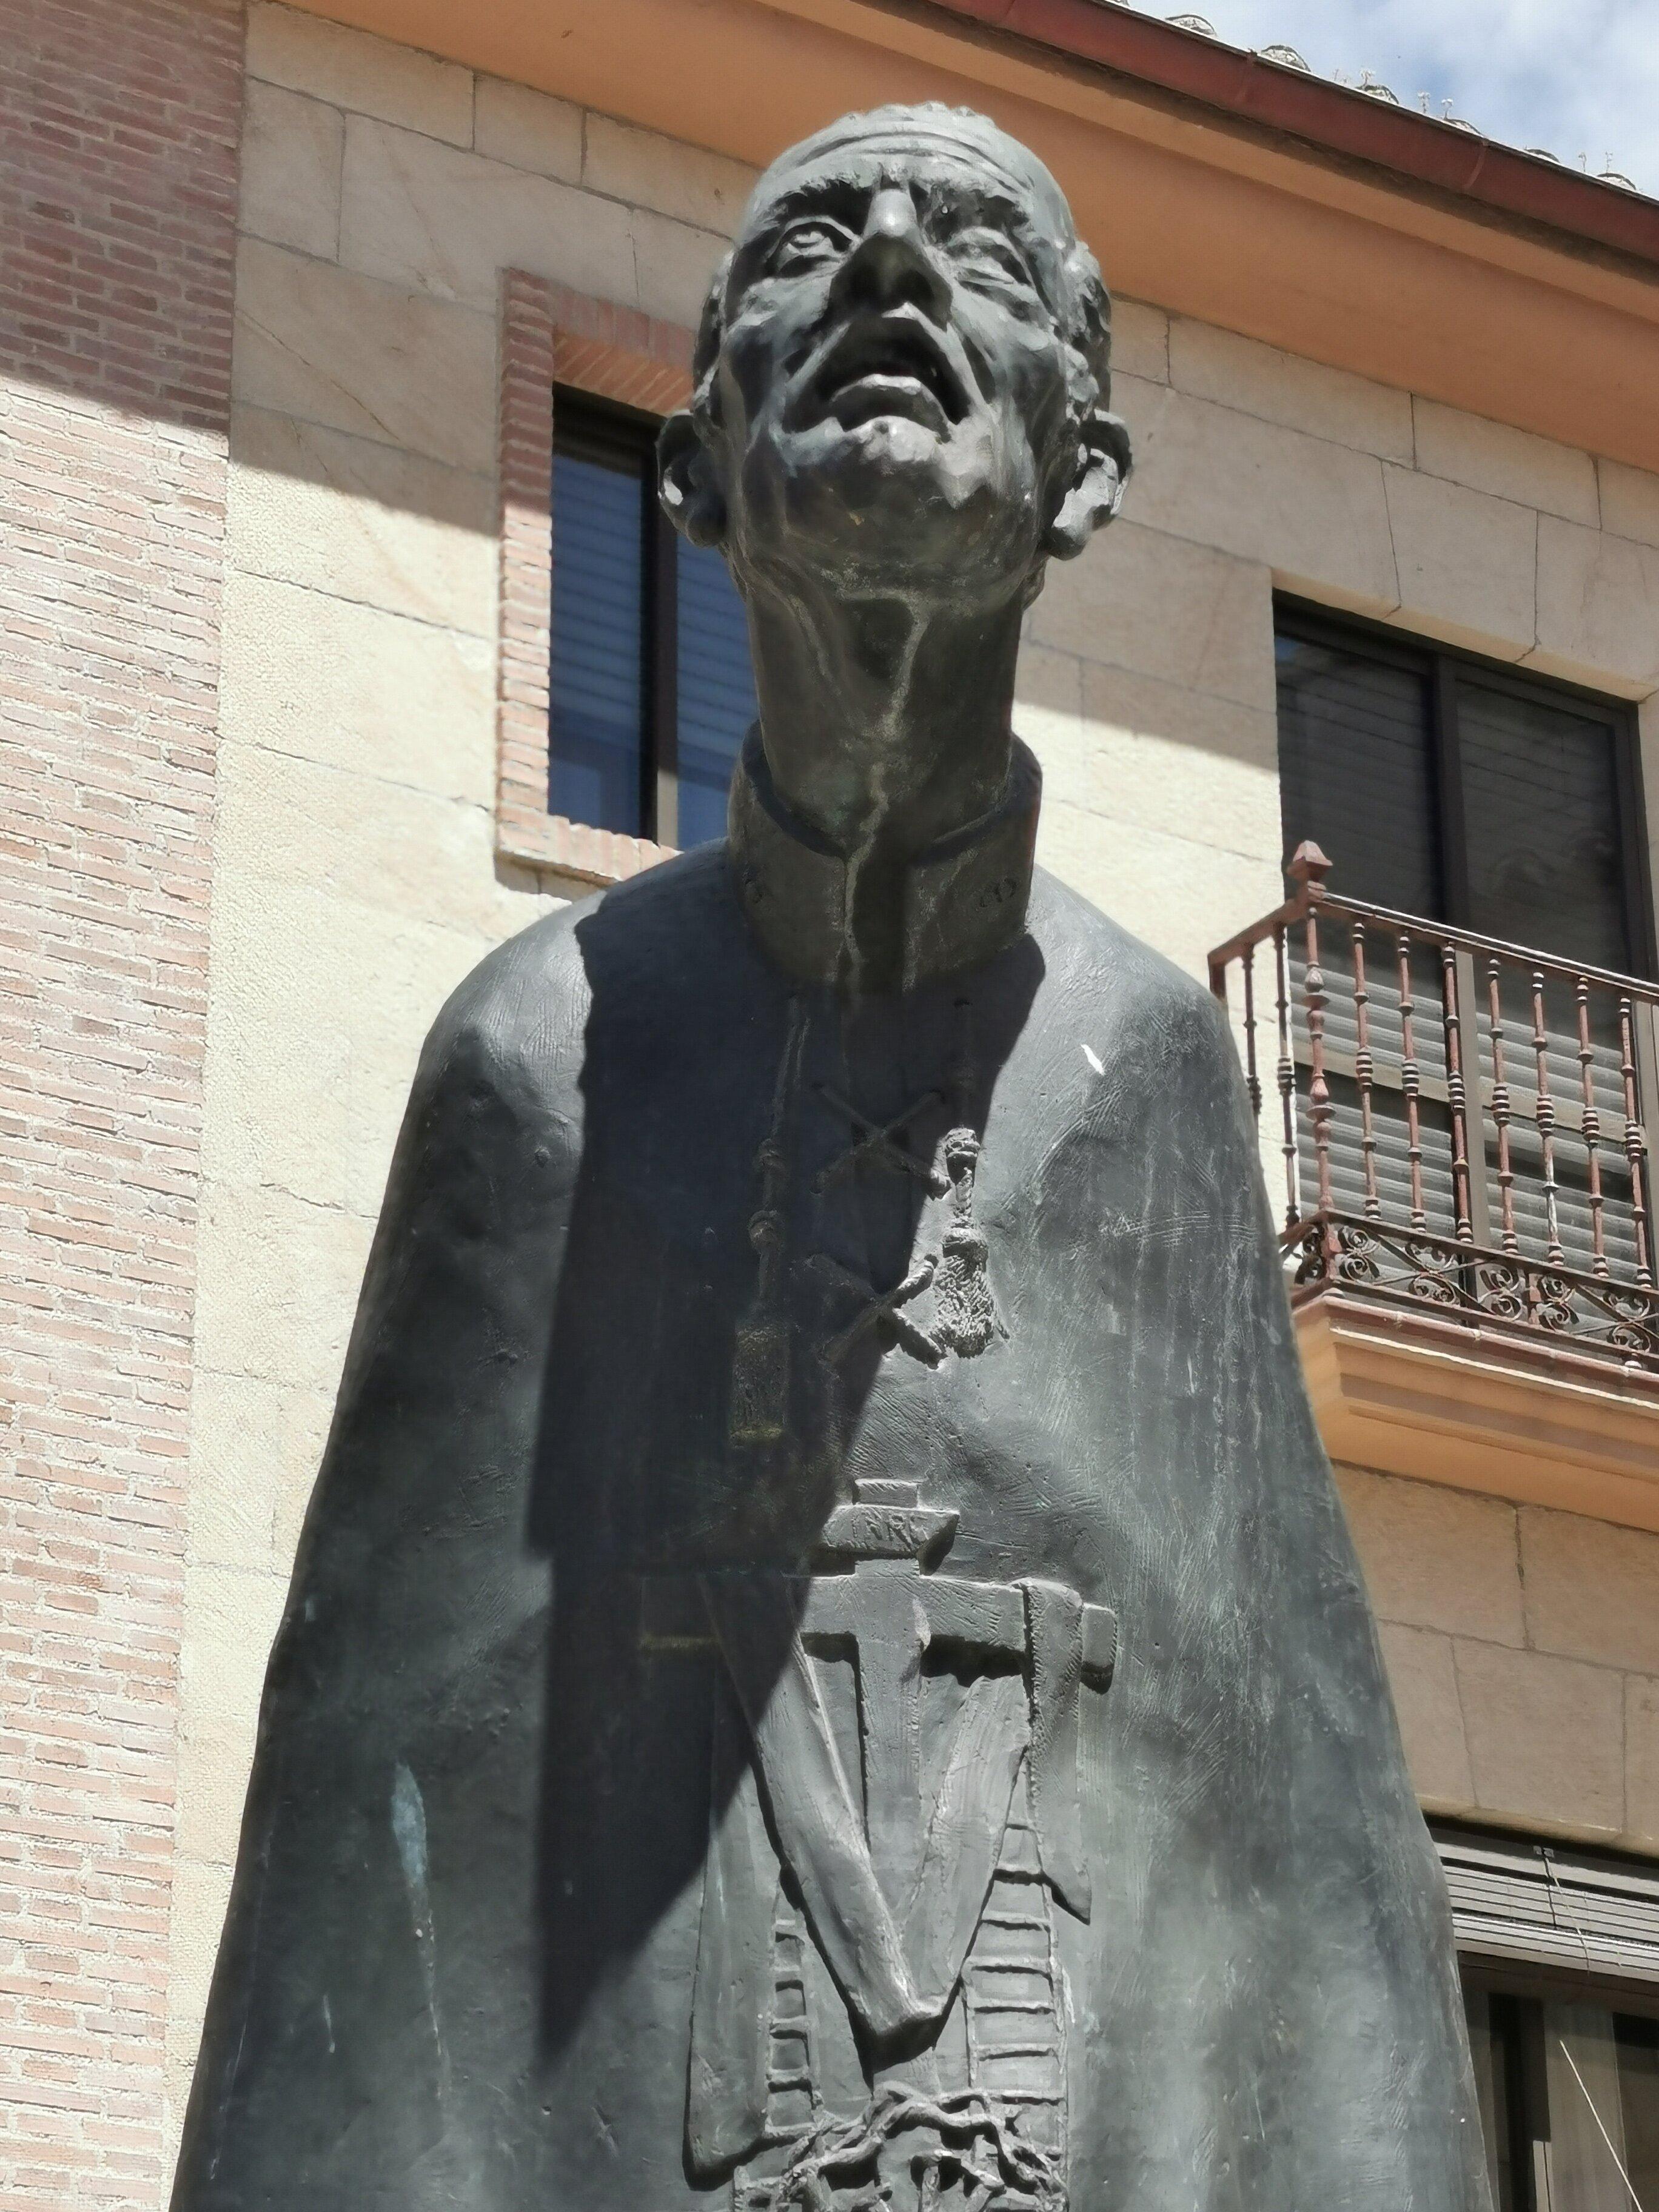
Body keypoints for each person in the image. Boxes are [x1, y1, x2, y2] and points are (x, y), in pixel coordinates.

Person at [172, 104, 1492, 2212]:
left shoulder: (1151, 1074)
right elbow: (366, 1902)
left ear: (1088, 470)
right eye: (808, 241)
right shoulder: (539, 1068)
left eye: (977, 246)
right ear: (693, 470)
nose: (886, 249)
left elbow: (1316, 1881)